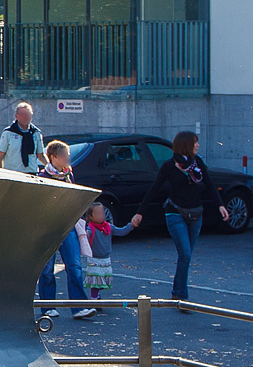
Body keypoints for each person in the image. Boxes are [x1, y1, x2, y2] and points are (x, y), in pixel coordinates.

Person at [130, 131, 229, 310]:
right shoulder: (169, 165)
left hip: (196, 214)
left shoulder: (197, 164)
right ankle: (182, 298)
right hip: (175, 213)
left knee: (186, 256)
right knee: (185, 254)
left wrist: (220, 205)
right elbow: (154, 189)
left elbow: (210, 184)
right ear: (186, 145)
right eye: (195, 143)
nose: (198, 145)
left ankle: (177, 292)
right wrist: (140, 213)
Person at [37, 140, 97, 320]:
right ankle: (47, 306)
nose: (68, 158)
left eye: (68, 155)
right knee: (47, 269)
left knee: (74, 266)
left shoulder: (69, 174)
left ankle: (79, 307)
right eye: (64, 155)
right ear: (53, 157)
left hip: (68, 225)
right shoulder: (43, 176)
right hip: (49, 228)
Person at [82, 201, 133, 302]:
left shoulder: (108, 227)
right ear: (91, 217)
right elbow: (87, 235)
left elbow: (121, 231)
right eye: (97, 213)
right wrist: (86, 234)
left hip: (105, 259)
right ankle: (94, 298)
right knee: (95, 280)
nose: (101, 216)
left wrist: (131, 225)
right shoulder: (91, 228)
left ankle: (97, 295)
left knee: (104, 280)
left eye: (102, 213)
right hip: (95, 259)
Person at [0, 102, 44, 175]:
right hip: (13, 174)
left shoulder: (36, 133)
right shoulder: (8, 133)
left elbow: (40, 156)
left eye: (28, 114)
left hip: (32, 173)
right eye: (23, 115)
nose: (26, 117)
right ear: (17, 116)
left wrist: (52, 169)